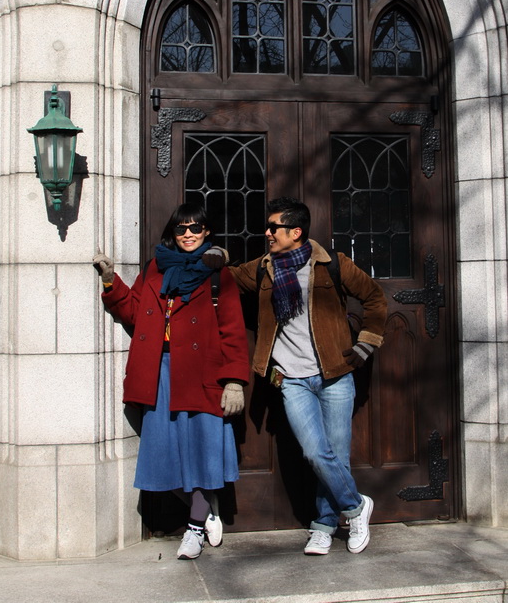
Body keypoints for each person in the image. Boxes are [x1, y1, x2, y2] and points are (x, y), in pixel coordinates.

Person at [228, 197, 387, 556]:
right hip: (292, 379)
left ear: (296, 232)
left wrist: (366, 343)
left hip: (335, 375)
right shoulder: (263, 268)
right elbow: (229, 278)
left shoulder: (332, 264)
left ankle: (324, 525)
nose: (267, 233)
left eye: (274, 227)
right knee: (316, 453)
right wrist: (216, 256)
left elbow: (375, 299)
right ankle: (357, 507)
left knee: (337, 457)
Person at [93, 203, 250, 560]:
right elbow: (134, 311)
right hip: (158, 371)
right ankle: (205, 507)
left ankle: (194, 528)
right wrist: (110, 281)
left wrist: (234, 381)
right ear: (173, 233)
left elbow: (233, 331)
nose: (188, 234)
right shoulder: (155, 267)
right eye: (182, 229)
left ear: (206, 232)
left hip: (201, 373)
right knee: (162, 455)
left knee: (202, 451)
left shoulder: (217, 274)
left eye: (195, 228)